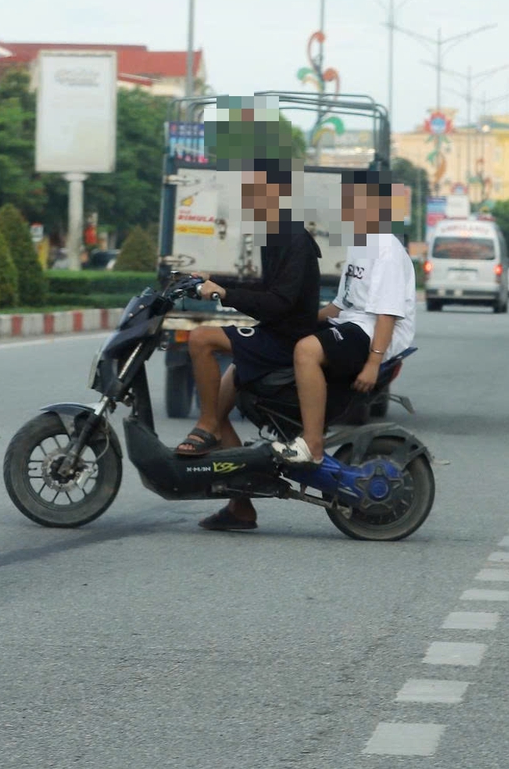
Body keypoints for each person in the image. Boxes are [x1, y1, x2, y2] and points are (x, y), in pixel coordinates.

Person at [176, 163, 321, 533]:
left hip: (286, 340)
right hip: (272, 333)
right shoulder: (272, 235)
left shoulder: (295, 240)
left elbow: (279, 302)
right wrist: (210, 279)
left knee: (201, 339)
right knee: (221, 405)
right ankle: (241, 508)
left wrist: (225, 294)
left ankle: (205, 425)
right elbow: (257, 287)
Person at [277, 172, 416, 464]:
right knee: (284, 336)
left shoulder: (387, 248)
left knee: (307, 350)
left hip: (375, 332)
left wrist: (373, 364)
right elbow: (341, 305)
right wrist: (298, 321)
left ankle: (312, 443)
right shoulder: (360, 242)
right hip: (354, 323)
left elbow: (387, 313)